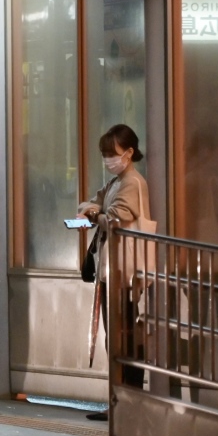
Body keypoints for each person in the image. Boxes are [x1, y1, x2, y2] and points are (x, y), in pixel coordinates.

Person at [76, 123, 151, 410]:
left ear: (129, 153)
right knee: (118, 335)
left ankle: (127, 402)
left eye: (112, 153)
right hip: (113, 269)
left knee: (123, 335)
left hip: (125, 271)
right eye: (105, 154)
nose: (108, 159)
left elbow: (115, 217)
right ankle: (121, 401)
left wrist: (94, 214)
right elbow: (91, 204)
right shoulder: (116, 182)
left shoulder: (132, 182)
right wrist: (94, 211)